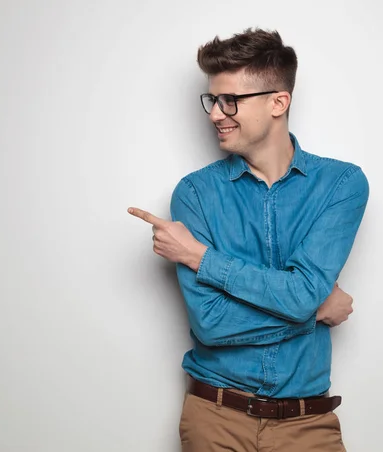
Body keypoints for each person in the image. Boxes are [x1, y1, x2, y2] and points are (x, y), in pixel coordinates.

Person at [128, 27, 368, 451]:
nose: (215, 114)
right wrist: (315, 310)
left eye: (230, 101)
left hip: (307, 423)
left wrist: (203, 258)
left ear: (279, 102)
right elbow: (212, 324)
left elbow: (299, 295)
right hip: (215, 419)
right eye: (212, 100)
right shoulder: (196, 194)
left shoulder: (341, 184)